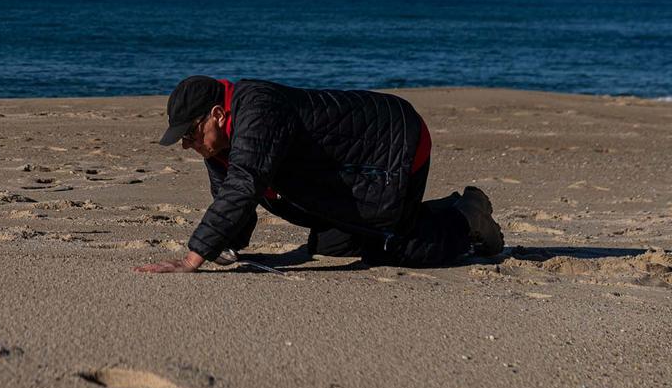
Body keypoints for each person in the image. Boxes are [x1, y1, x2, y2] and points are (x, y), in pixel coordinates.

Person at [135, 76, 504, 273]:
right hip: (349, 162)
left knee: (393, 246)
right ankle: (442, 209)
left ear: (217, 114)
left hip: (392, 144)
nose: (187, 145)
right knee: (331, 246)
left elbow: (245, 184)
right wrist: (225, 247)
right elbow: (232, 196)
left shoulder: (258, 110)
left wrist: (193, 257)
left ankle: (466, 218)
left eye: (190, 135)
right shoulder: (218, 142)